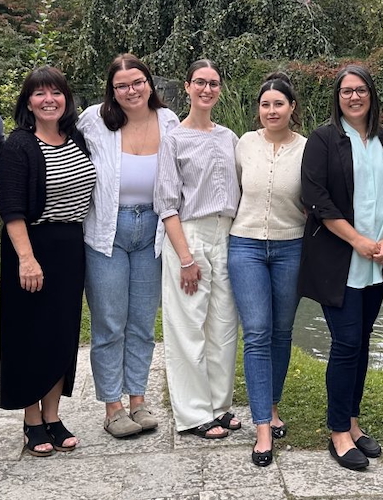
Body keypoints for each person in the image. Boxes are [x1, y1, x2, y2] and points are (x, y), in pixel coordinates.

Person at [298, 64, 383, 471]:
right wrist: (357, 240)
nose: (354, 97)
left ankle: (354, 423)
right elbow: (316, 198)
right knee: (345, 344)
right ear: (337, 97)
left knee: (361, 342)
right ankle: (338, 431)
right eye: (347, 91)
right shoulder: (324, 139)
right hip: (341, 260)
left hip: (379, 262)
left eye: (361, 90)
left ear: (371, 94)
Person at [0, 66, 95, 457]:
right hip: (32, 244)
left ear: (66, 99)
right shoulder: (19, 145)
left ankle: (53, 417)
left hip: (70, 245)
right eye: (39, 94)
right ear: (28, 102)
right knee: (28, 336)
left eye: (56, 92)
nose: (49, 100)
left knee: (61, 333)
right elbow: (12, 207)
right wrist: (26, 259)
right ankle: (31, 420)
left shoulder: (77, 138)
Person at [78, 54, 178, 439]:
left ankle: (138, 398)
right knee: (109, 322)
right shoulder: (93, 120)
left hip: (153, 230)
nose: (131, 90)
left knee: (141, 321)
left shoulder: (168, 122)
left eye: (137, 82)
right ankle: (112, 406)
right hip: (106, 229)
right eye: (121, 85)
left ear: (149, 83)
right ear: (112, 90)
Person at [155, 59, 243, 440]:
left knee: (223, 325)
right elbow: (166, 203)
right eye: (200, 83)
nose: (207, 89)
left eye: (214, 83)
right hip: (188, 235)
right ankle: (193, 414)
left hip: (229, 234)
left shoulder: (230, 138)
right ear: (188, 87)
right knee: (187, 325)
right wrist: (186, 258)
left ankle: (219, 406)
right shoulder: (174, 138)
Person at [230, 73, 307, 467]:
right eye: (265, 104)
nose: (271, 110)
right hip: (244, 246)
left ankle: (272, 406)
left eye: (279, 103)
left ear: (292, 107)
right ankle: (262, 427)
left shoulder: (308, 149)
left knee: (281, 331)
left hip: (291, 247)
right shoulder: (244, 144)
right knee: (257, 332)